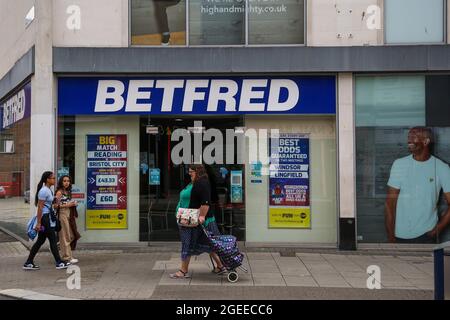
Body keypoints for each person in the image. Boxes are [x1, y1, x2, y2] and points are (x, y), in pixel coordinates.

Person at [385, 127, 450, 243]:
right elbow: (390, 203)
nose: (409, 141)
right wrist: (391, 236)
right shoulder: (399, 164)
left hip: (427, 235)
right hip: (399, 235)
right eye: (408, 137)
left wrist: (436, 230)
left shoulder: (442, 168)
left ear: (426, 141)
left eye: (413, 137)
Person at [170, 164, 226, 279]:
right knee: (210, 243)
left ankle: (183, 271)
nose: (189, 173)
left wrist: (202, 217)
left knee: (189, 244)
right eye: (189, 171)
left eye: (191, 171)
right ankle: (221, 266)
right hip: (191, 219)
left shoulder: (201, 183)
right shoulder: (194, 182)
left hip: (196, 221)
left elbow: (205, 203)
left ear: (198, 171)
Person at [23, 171, 71, 270]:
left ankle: (28, 262)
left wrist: (55, 199)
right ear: (47, 179)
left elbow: (47, 203)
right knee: (52, 239)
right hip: (45, 219)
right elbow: (40, 207)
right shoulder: (44, 190)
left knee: (40, 240)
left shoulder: (48, 190)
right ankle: (59, 262)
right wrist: (39, 223)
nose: (54, 179)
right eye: (52, 178)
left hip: (47, 217)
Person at [55, 175, 79, 265]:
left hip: (69, 213)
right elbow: (55, 206)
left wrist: (73, 204)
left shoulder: (67, 191)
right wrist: (67, 205)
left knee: (71, 235)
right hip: (62, 213)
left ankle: (58, 245)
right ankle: (67, 257)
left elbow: (67, 202)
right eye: (64, 181)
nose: (66, 182)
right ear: (61, 182)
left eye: (68, 181)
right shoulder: (59, 192)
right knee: (66, 236)